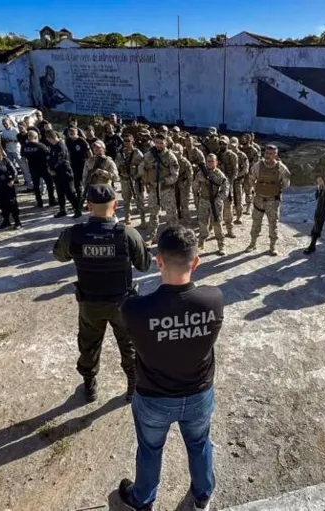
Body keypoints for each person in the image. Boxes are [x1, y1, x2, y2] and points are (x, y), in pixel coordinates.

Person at [118, 225, 223, 511]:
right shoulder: (213, 299)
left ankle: (142, 500)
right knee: (200, 444)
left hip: (154, 398)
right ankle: (202, 496)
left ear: (158, 261)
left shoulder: (135, 309)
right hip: (199, 394)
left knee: (151, 450)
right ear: (196, 261)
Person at [52, 184, 151, 402]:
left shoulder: (75, 233)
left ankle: (90, 386)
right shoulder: (128, 234)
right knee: (129, 344)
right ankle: (133, 384)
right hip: (122, 303)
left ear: (88, 206)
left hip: (90, 303)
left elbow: (59, 255)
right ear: (116, 206)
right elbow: (144, 265)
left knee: (89, 344)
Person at [245, 145, 291, 256]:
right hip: (259, 199)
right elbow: (251, 178)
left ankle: (272, 247)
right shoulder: (258, 166)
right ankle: (252, 243)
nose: (268, 156)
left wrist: (274, 190)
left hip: (273, 201)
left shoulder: (281, 168)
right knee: (256, 223)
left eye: (271, 154)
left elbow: (286, 183)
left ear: (276, 154)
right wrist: (257, 188)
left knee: (273, 224)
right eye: (266, 153)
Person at [139, 134, 180, 244]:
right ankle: (152, 236)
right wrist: (147, 167)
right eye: (156, 142)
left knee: (171, 215)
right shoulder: (148, 155)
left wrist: (164, 181)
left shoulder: (170, 156)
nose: (159, 145)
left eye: (161, 143)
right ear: (153, 142)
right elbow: (140, 169)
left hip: (166, 190)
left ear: (166, 143)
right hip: (152, 189)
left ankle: (174, 237)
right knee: (153, 214)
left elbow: (175, 175)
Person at [194, 154, 229, 255]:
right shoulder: (201, 173)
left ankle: (221, 244)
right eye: (208, 161)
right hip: (204, 201)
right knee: (202, 222)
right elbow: (195, 186)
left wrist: (219, 199)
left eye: (212, 161)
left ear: (216, 162)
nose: (209, 163)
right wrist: (197, 197)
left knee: (217, 223)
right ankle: (201, 241)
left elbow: (225, 189)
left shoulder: (220, 175)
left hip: (215, 203)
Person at [47, 130, 82, 218]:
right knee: (60, 192)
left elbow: (60, 159)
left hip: (64, 172)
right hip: (57, 173)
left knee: (70, 192)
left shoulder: (60, 146)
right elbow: (50, 158)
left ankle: (77, 209)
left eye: (49, 138)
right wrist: (50, 167)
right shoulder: (53, 146)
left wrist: (52, 168)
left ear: (52, 138)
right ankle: (62, 209)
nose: (48, 140)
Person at [116, 134, 146, 226]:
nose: (126, 142)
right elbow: (117, 165)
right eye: (125, 140)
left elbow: (142, 166)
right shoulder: (120, 153)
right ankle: (127, 217)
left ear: (132, 141)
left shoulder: (137, 153)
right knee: (126, 200)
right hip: (124, 179)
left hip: (135, 180)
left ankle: (143, 220)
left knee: (139, 200)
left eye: (128, 140)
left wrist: (137, 176)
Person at [21, 129, 55, 208]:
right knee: (49, 184)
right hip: (43, 168)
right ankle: (51, 200)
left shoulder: (24, 146)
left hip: (33, 168)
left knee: (36, 186)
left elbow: (23, 159)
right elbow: (48, 156)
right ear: (36, 136)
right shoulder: (41, 145)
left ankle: (39, 202)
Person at [216, 136, 240, 238]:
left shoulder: (232, 156)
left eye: (224, 144)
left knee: (228, 208)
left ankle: (229, 230)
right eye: (220, 144)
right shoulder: (215, 155)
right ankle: (216, 229)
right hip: (217, 184)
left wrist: (229, 183)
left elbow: (235, 171)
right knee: (216, 208)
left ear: (228, 144)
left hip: (227, 183)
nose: (222, 146)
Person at [1, 117, 32, 193]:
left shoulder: (15, 129)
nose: (5, 125)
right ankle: (15, 180)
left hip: (16, 150)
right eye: (4, 123)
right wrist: (5, 141)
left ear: (10, 123)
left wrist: (12, 140)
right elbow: (3, 140)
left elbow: (20, 138)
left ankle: (28, 182)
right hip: (8, 150)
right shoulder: (3, 131)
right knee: (11, 166)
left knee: (23, 166)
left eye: (6, 123)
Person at [66, 128, 92, 200]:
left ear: (77, 132)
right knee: (76, 181)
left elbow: (89, 152)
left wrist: (91, 162)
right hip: (73, 164)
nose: (71, 133)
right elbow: (68, 152)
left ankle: (89, 196)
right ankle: (79, 197)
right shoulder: (68, 141)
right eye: (70, 132)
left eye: (73, 132)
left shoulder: (82, 141)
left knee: (85, 180)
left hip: (83, 163)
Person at [172, 144, 194, 226]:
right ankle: (176, 221)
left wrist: (187, 188)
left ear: (181, 152)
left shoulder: (186, 163)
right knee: (174, 204)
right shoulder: (172, 161)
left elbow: (190, 177)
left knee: (184, 205)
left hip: (184, 187)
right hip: (174, 185)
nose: (175, 154)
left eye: (177, 153)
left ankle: (187, 221)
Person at [239, 133, 260, 215]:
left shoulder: (253, 150)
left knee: (248, 190)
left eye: (246, 139)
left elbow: (256, 163)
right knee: (239, 190)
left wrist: (249, 171)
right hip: (240, 173)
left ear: (249, 140)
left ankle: (248, 207)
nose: (243, 140)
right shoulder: (240, 149)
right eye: (243, 138)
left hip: (249, 173)